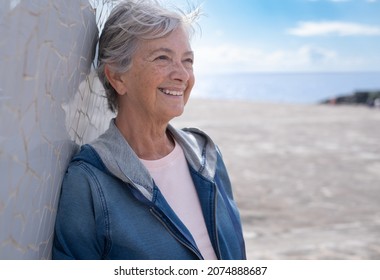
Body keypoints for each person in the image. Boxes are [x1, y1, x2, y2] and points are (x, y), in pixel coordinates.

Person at [52, 0, 246, 260]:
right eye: (162, 58)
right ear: (117, 77)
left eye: (187, 61)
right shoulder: (89, 180)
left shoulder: (207, 155)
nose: (182, 75)